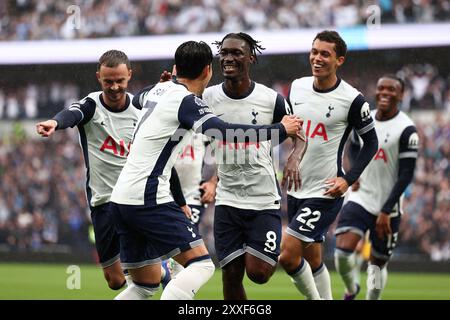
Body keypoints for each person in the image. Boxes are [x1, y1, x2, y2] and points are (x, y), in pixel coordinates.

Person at [109, 40, 302, 300]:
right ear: (207, 71)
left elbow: (140, 97)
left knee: (143, 286)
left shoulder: (157, 91)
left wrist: (166, 82)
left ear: (175, 68)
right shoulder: (187, 101)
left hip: (120, 199)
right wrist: (280, 129)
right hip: (148, 199)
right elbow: (226, 132)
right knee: (201, 264)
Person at [35, 50, 185, 291]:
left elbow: (160, 158)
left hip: (137, 200)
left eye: (120, 81)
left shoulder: (142, 109)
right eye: (108, 81)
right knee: (115, 282)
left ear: (129, 76)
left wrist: (180, 200)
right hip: (103, 202)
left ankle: (158, 269)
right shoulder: (92, 105)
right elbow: (72, 114)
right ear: (98, 77)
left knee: (149, 280)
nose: (114, 87)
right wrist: (55, 122)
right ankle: (157, 269)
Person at [201, 32, 304, 300]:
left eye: (236, 53)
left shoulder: (271, 99)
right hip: (228, 201)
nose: (228, 58)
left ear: (251, 57)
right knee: (231, 274)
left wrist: (294, 157)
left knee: (259, 273)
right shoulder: (207, 98)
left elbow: (299, 135)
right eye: (224, 53)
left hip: (263, 200)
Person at [278, 30, 379, 300]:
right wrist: (293, 155)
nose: (317, 58)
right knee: (312, 261)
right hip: (296, 189)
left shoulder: (352, 99)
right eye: (314, 52)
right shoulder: (297, 86)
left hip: (325, 192)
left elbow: (371, 143)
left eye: (325, 54)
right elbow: (293, 129)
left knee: (288, 256)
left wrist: (347, 179)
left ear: (339, 60)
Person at [334, 75, 419, 300]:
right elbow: (352, 147)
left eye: (391, 89)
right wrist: (355, 172)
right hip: (361, 197)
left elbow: (406, 174)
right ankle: (352, 288)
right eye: (381, 88)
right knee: (342, 251)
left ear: (401, 95)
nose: (385, 93)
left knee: (376, 265)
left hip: (388, 207)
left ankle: (372, 298)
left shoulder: (407, 129)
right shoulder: (366, 119)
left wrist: (386, 210)